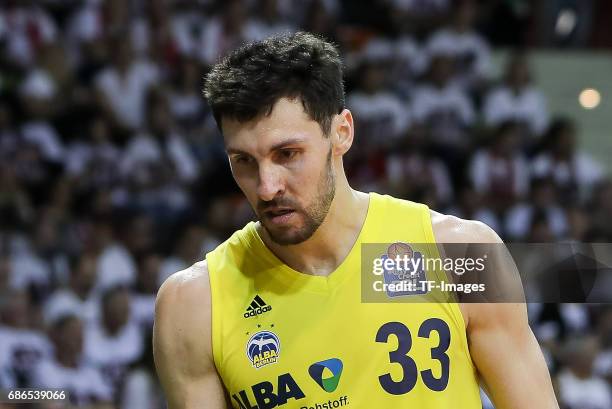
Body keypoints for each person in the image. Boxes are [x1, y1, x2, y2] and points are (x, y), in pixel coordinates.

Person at [153, 32, 559, 408]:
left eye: (288, 154)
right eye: (243, 161)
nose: (266, 188)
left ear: (342, 133)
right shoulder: (193, 304)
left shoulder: (458, 253)